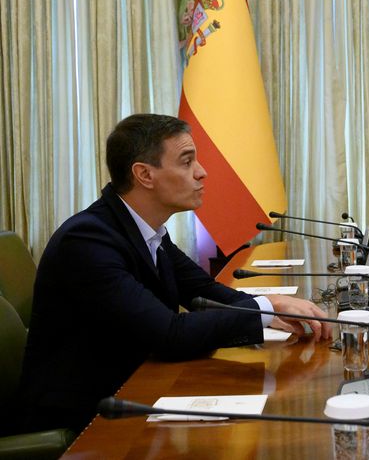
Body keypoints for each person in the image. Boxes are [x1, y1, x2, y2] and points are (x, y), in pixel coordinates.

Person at [19, 114, 332, 434]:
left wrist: (269, 312)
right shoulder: (88, 240)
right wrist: (267, 308)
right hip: (85, 419)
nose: (202, 172)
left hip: (135, 389)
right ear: (144, 174)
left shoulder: (147, 230)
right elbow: (169, 334)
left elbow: (206, 291)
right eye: (186, 162)